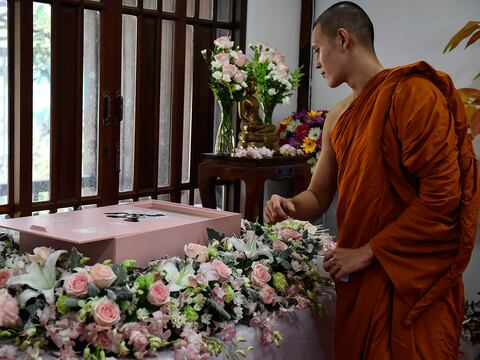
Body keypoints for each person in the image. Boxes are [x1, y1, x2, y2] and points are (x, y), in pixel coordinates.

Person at [264, 2, 480, 359]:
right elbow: (317, 195)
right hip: (361, 281)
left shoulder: (414, 94)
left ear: (343, 38)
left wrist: (368, 252)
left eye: (318, 50)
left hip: (410, 277)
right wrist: (289, 206)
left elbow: (443, 197)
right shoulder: (338, 117)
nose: (316, 63)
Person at [237, 80, 277, 150]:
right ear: (247, 87)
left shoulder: (254, 99)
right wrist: (251, 122)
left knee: (272, 127)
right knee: (248, 128)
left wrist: (261, 123)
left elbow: (257, 114)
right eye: (253, 85)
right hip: (247, 123)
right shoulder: (243, 99)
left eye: (256, 85)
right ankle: (258, 133)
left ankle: (258, 133)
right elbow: (242, 115)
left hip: (256, 124)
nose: (255, 88)